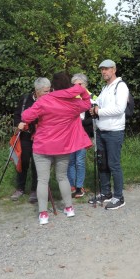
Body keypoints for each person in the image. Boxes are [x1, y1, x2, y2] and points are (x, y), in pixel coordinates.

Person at [21, 72, 92, 225]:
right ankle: (69, 208)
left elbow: (26, 117)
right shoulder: (74, 103)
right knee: (62, 177)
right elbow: (87, 104)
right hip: (63, 146)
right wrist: (81, 90)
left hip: (42, 146)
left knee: (42, 180)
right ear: (69, 86)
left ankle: (43, 214)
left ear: (53, 86)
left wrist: (37, 105)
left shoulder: (44, 100)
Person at [89, 60, 129, 210]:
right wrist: (94, 106)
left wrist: (98, 111)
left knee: (113, 164)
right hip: (101, 131)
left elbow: (119, 109)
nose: (103, 72)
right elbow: (97, 102)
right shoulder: (105, 88)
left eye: (106, 69)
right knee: (102, 163)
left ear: (114, 69)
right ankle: (106, 193)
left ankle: (119, 197)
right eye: (102, 69)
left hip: (114, 131)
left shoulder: (121, 86)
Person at [11, 77, 51, 203]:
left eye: (49, 90)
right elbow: (17, 116)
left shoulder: (50, 100)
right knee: (23, 161)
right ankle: (20, 188)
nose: (48, 93)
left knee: (37, 163)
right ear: (37, 90)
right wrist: (18, 123)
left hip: (41, 136)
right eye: (45, 91)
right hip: (26, 135)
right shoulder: (25, 99)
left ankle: (35, 189)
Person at [66, 73, 94, 198]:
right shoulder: (69, 97)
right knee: (71, 161)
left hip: (83, 134)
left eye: (79, 84)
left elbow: (93, 118)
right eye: (74, 84)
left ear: (85, 85)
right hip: (70, 134)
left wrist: (79, 123)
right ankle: (72, 185)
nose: (76, 87)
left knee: (79, 161)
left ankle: (79, 186)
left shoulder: (92, 98)